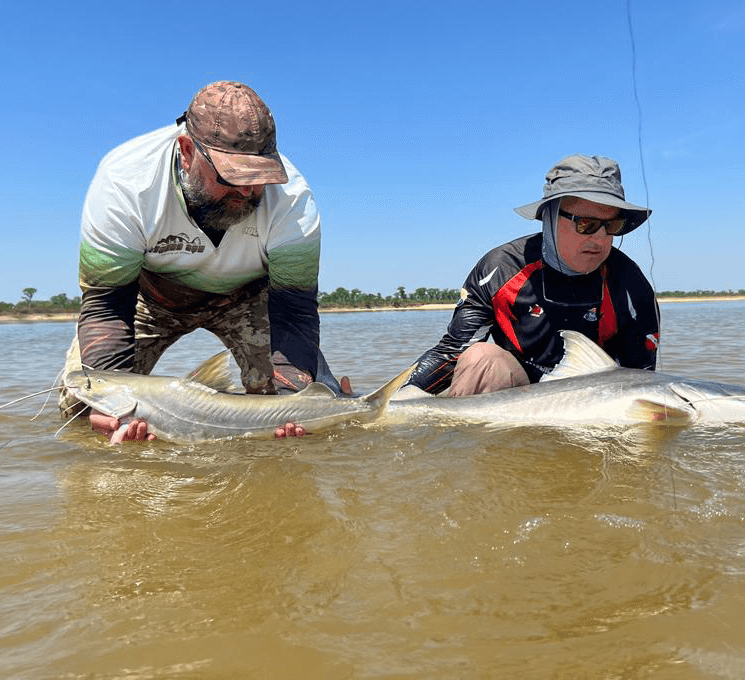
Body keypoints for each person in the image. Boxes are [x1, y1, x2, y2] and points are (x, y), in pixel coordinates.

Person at [59, 81, 349, 442]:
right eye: (232, 176)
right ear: (186, 151)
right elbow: (106, 306)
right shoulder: (124, 183)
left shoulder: (294, 202)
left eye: (259, 177)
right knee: (80, 408)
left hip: (249, 298)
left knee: (313, 411)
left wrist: (292, 403)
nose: (247, 191)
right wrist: (110, 407)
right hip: (149, 300)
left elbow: (294, 314)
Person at [404, 154, 659, 397]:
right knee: (482, 359)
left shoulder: (632, 287)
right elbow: (451, 353)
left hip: (595, 396)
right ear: (548, 216)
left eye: (612, 226)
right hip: (518, 391)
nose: (601, 238)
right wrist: (398, 397)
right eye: (586, 224)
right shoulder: (499, 270)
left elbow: (641, 378)